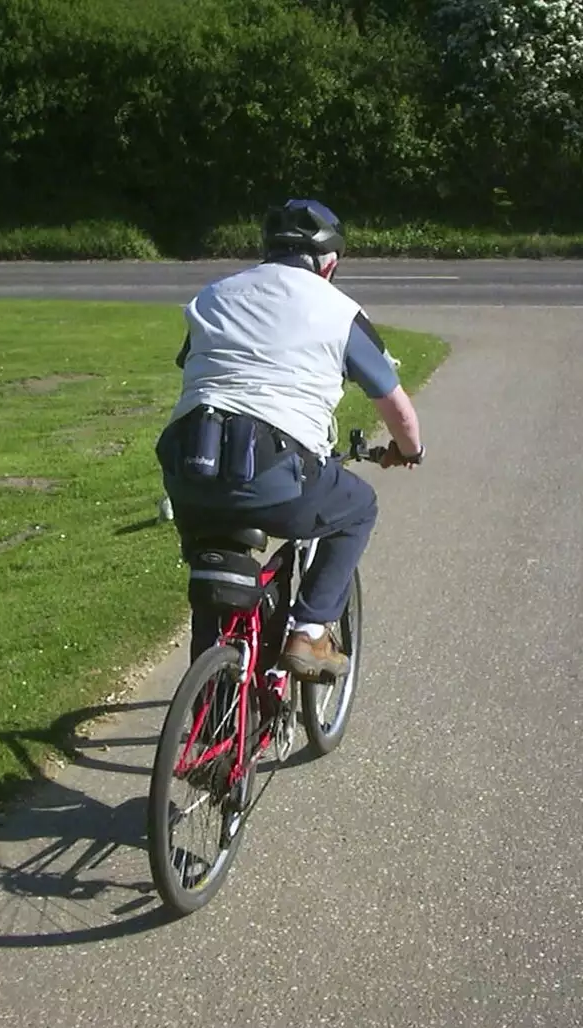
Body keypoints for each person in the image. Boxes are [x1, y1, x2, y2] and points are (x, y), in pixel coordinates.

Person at [154, 199, 425, 683]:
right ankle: (310, 630)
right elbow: (396, 406)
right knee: (358, 506)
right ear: (330, 263)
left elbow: (196, 365)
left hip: (188, 456)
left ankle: (209, 696)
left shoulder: (214, 294)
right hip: (274, 464)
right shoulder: (338, 310)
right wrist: (409, 450)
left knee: (215, 563)